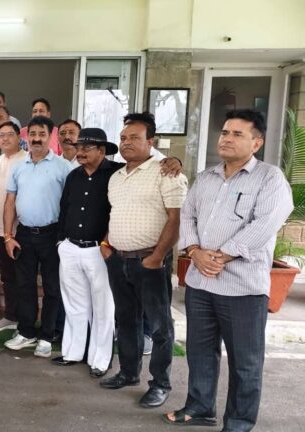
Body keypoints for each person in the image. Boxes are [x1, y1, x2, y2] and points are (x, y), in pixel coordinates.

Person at [164, 110, 293, 431]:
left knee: (245, 363)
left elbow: (264, 224)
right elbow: (188, 216)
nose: (227, 139)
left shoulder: (270, 178)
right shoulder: (206, 177)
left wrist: (220, 257)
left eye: (237, 134)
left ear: (256, 143)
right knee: (200, 352)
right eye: (224, 132)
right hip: (200, 285)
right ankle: (200, 407)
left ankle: (238, 423)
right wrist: (194, 251)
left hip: (242, 288)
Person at [55, 127, 183, 377]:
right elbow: (64, 209)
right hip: (70, 248)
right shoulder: (73, 176)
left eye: (87, 147)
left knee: (103, 308)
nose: (80, 152)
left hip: (100, 250)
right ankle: (73, 352)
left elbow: (151, 165)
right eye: (79, 147)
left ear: (102, 151)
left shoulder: (117, 173)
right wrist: (61, 242)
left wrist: (174, 160)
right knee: (75, 305)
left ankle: (100, 360)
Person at [100, 112, 188, 409]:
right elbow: (115, 215)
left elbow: (176, 219)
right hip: (118, 260)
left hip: (150, 262)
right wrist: (106, 245)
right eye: (123, 138)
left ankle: (160, 384)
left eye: (134, 138)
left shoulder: (167, 172)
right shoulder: (116, 177)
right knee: (126, 320)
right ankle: (128, 373)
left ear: (151, 141)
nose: (126, 143)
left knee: (160, 326)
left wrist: (157, 257)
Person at [3, 116, 72, 357]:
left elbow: (71, 203)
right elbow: (10, 202)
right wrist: (8, 236)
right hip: (24, 234)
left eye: (42, 134)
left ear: (50, 136)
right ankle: (26, 332)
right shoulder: (18, 166)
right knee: (25, 286)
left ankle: (46, 336)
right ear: (27, 137)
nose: (36, 138)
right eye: (32, 134)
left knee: (52, 287)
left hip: (52, 234)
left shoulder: (63, 167)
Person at [0, 121, 27, 332]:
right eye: (1, 135)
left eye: (9, 134)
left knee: (22, 276)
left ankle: (24, 319)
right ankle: (11, 316)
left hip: (20, 229)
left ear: (19, 137)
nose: (4, 138)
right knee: (7, 276)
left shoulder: (27, 160)